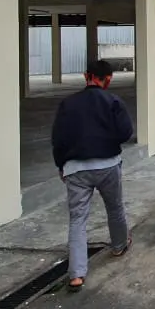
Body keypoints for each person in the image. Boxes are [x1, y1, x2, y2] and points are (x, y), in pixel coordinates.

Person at [51, 60, 135, 292]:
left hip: (76, 169)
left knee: (77, 219)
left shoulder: (68, 104)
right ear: (108, 79)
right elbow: (126, 132)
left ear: (86, 76)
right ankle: (119, 245)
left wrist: (61, 165)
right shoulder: (113, 101)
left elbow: (58, 139)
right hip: (108, 165)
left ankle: (76, 275)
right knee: (115, 207)